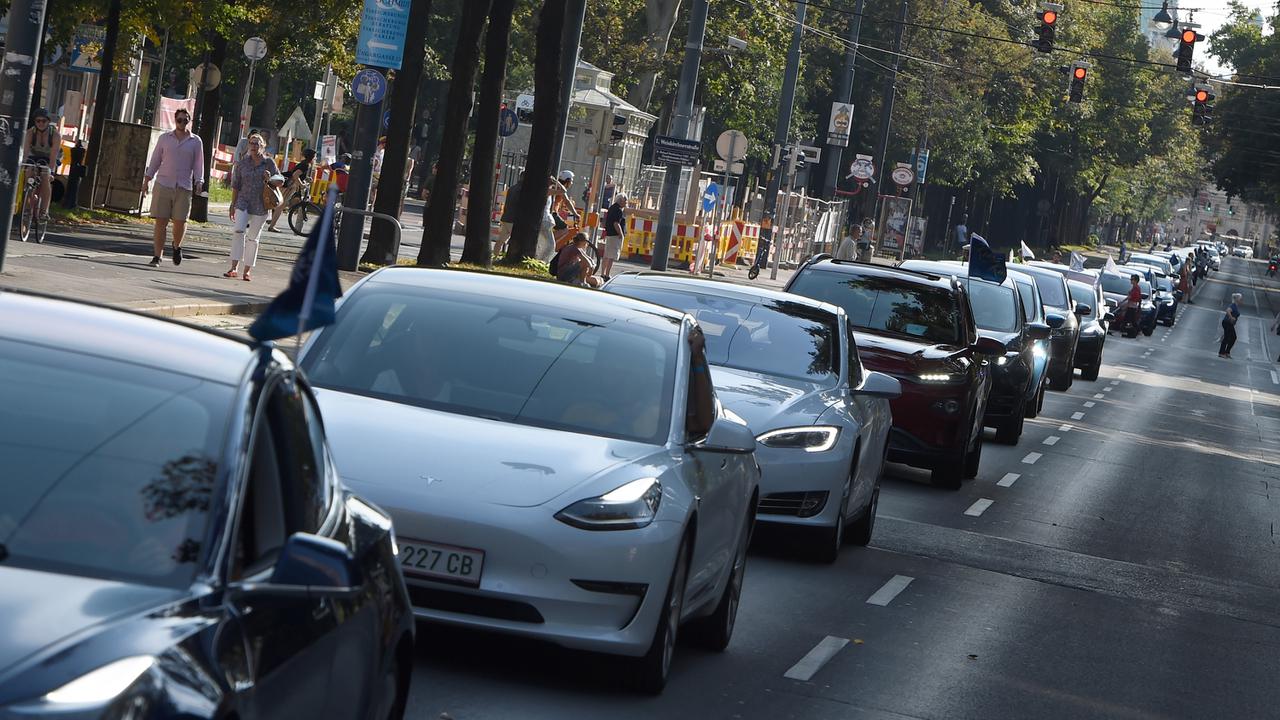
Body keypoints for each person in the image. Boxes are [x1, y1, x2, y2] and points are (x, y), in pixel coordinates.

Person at [142, 107, 204, 268]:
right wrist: (147, 179)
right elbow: (155, 160)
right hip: (163, 184)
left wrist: (199, 181)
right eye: (179, 120)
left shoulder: (195, 141)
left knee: (180, 221)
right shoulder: (165, 138)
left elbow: (198, 164)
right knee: (160, 222)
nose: (182, 123)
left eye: (185, 120)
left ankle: (177, 246)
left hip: (184, 187)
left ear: (189, 121)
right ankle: (157, 256)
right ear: (175, 120)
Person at [224, 133, 282, 282]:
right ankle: (234, 267)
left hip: (261, 204)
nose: (254, 146)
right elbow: (236, 185)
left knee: (253, 238)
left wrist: (270, 179)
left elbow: (280, 180)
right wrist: (233, 204)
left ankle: (247, 270)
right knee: (238, 231)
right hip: (243, 202)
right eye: (251, 143)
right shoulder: (243, 163)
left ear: (263, 146)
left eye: (257, 144)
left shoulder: (269, 163)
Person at [268, 148, 315, 232]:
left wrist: (305, 178)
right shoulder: (306, 165)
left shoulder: (304, 163)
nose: (315, 159)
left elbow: (298, 174)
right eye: (315, 157)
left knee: (278, 203)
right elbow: (295, 175)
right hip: (288, 186)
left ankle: (270, 219)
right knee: (280, 206)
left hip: (287, 184)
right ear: (312, 157)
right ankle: (271, 225)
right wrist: (302, 185)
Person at [22, 108, 56, 220]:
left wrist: (51, 172)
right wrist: (24, 166)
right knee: (28, 173)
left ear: (48, 121)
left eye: (43, 121)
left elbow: (53, 156)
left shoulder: (55, 135)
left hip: (48, 157)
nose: (41, 123)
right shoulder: (30, 133)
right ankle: (27, 207)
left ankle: (44, 211)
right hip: (34, 156)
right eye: (38, 121)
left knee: (45, 176)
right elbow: (26, 153)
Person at [494, 172, 524, 258]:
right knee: (516, 239)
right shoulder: (522, 190)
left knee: (501, 239)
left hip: (507, 216)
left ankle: (495, 256)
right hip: (514, 218)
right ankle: (510, 257)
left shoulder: (512, 188)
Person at [601, 192, 628, 280]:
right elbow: (616, 223)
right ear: (621, 200)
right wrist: (620, 233)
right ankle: (607, 274)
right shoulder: (618, 210)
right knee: (611, 256)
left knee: (606, 255)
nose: (626, 202)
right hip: (615, 235)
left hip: (609, 234)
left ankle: (602, 273)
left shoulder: (612, 208)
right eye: (625, 200)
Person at [551, 170, 580, 250]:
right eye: (571, 181)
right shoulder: (560, 189)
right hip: (552, 214)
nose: (572, 183)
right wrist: (575, 214)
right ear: (567, 181)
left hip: (552, 213)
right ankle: (548, 240)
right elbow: (567, 202)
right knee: (565, 229)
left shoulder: (555, 186)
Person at [1219, 292, 1242, 358]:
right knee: (1227, 338)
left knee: (1233, 337)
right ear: (1237, 299)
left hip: (1230, 324)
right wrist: (1231, 317)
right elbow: (1228, 310)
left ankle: (1227, 352)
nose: (1241, 300)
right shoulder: (1233, 305)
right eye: (1240, 299)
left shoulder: (1236, 306)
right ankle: (1221, 353)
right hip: (1227, 322)